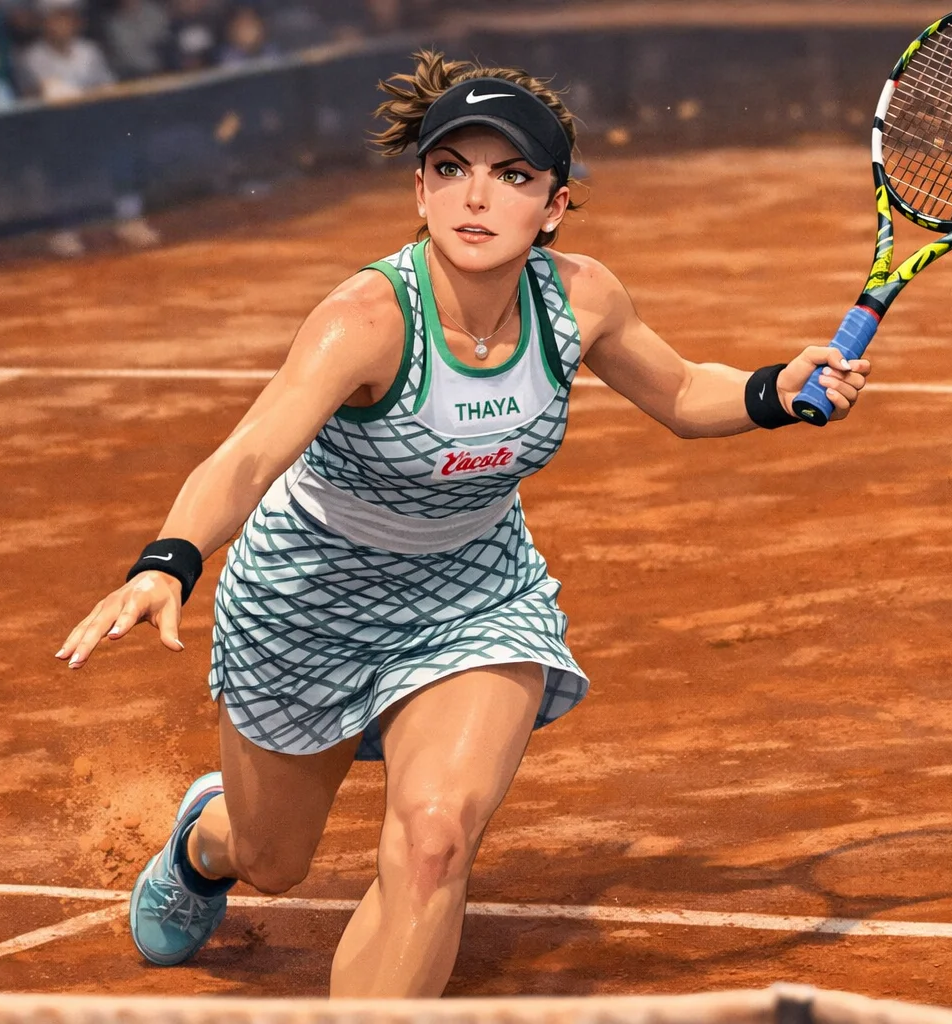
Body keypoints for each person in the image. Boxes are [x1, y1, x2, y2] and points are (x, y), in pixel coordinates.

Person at [54, 50, 872, 996]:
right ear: (420, 189)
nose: (476, 198)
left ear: (554, 206)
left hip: (474, 594)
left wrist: (778, 389)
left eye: (512, 175)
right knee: (274, 858)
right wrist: (169, 562)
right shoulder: (364, 319)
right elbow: (249, 453)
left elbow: (685, 392)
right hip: (305, 602)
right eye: (452, 170)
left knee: (435, 840)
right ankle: (208, 842)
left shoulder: (580, 295)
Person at [22, 0, 113, 101]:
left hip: (95, 108)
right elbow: (46, 93)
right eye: (57, 18)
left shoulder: (89, 50)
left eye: (68, 17)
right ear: (44, 22)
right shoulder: (32, 58)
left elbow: (108, 86)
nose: (63, 24)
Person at [104, 0, 168, 80]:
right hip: (133, 77)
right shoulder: (113, 24)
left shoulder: (156, 13)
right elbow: (123, 58)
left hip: (164, 72)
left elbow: (166, 44)